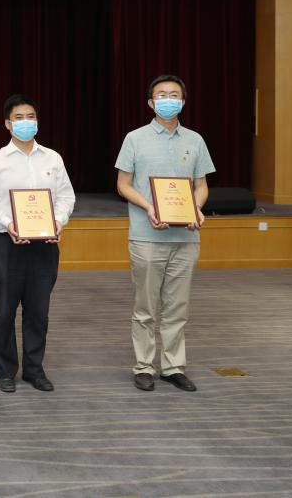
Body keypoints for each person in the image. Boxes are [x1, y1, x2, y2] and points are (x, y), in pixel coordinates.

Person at [115, 74, 214, 393]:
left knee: (177, 308)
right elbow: (123, 185)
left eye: (174, 95)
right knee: (145, 308)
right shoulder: (135, 138)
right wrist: (149, 207)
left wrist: (196, 208)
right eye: (162, 95)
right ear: (150, 102)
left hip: (186, 238)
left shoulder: (195, 140)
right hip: (147, 236)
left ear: (183, 102)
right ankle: (144, 366)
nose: (168, 100)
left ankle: (173, 367)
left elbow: (201, 185)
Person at [0, 94, 75, 393]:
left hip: (45, 244)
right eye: (19, 118)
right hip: (7, 244)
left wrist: (58, 222)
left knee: (38, 311)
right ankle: (5, 371)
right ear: (8, 124)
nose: (26, 122)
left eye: (30, 116)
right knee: (4, 311)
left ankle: (34, 369)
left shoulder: (53, 159)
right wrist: (9, 223)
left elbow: (66, 197)